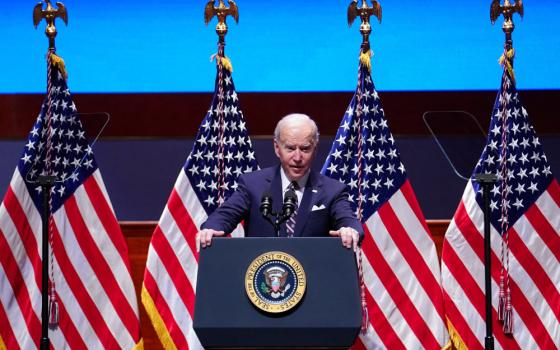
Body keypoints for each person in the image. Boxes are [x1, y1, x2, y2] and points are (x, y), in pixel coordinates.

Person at [196, 113, 363, 251]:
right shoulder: (253, 185)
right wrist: (210, 228)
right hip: (262, 280)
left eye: (305, 149)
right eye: (290, 148)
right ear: (277, 148)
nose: (297, 157)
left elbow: (350, 222)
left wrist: (349, 230)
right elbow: (224, 216)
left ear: (315, 149)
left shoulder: (332, 190)